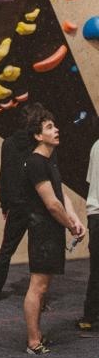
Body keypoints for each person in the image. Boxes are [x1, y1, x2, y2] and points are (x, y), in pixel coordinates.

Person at [21, 106, 87, 354]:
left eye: (54, 125)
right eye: (49, 127)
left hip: (52, 232)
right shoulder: (36, 163)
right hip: (43, 233)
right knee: (38, 287)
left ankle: (38, 335)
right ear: (38, 135)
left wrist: (75, 219)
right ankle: (32, 341)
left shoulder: (50, 161)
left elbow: (62, 195)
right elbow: (51, 203)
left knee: (43, 288)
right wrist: (71, 226)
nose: (56, 129)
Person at [0, 112, 40, 302]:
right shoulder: (40, 145)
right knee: (37, 252)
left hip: (15, 204)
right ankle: (38, 298)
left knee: (6, 249)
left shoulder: (7, 143)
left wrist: (4, 205)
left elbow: (3, 175)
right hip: (37, 204)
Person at [79, 136, 99, 333]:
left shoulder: (95, 145)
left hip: (95, 215)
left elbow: (90, 180)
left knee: (96, 269)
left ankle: (90, 316)